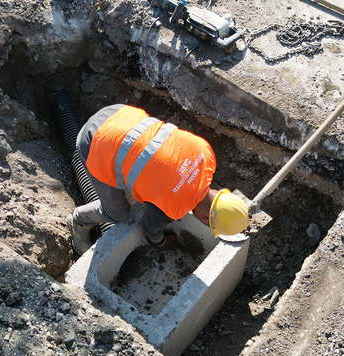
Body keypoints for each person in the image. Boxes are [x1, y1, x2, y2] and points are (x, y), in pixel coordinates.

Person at [67, 104, 249, 254]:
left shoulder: (206, 155)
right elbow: (149, 227)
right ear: (203, 219)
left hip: (121, 113)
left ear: (220, 192)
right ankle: (78, 221)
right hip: (95, 143)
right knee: (118, 214)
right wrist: (161, 243)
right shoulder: (173, 207)